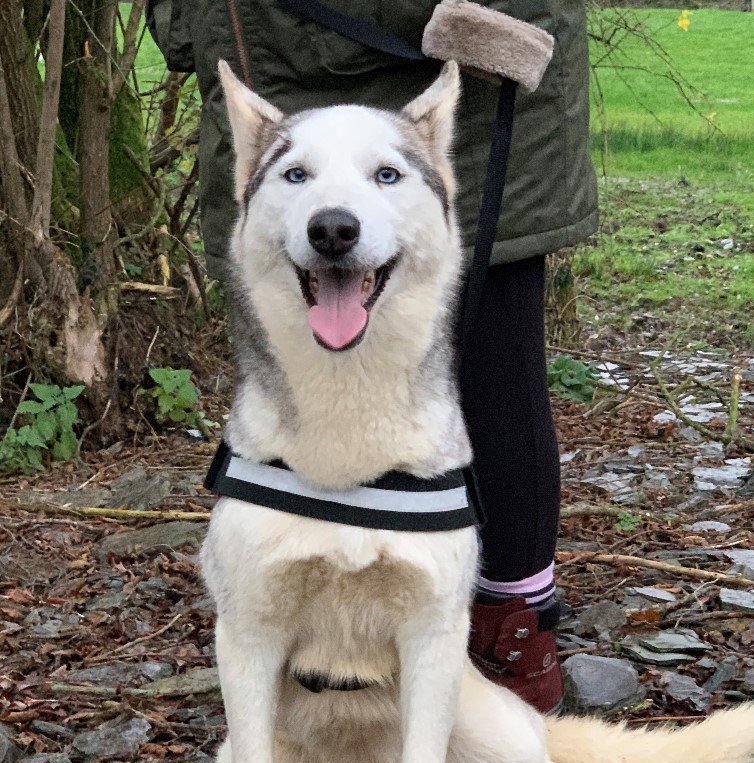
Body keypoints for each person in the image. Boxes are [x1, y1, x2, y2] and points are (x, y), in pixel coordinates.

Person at [148, 0, 598, 714]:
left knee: (491, 370)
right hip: (275, 58)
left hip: (463, 80)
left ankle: (513, 637)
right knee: (302, 392)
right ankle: (329, 650)